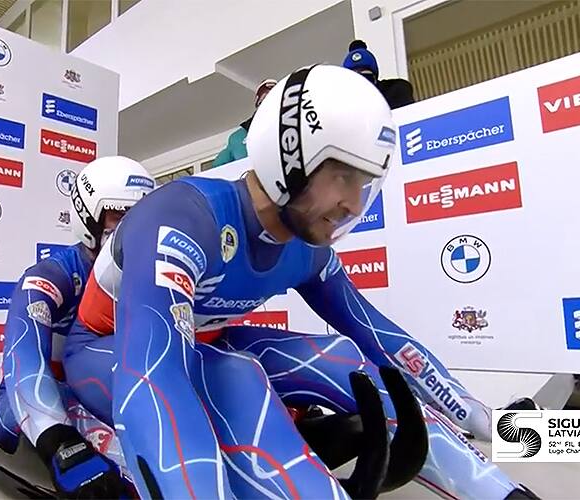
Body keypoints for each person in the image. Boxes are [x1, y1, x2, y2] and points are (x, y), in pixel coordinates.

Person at [63, 65, 540, 499]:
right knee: (236, 376)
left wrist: (481, 419)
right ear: (288, 157)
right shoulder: (183, 218)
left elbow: (378, 337)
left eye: (365, 182)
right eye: (342, 175)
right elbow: (154, 374)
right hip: (107, 348)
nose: (354, 203)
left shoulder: (308, 249)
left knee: (343, 358)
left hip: (208, 343)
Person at [0, 156, 155, 498]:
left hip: (100, 394)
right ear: (88, 217)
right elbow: (23, 360)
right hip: (31, 400)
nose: (132, 228)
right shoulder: (50, 277)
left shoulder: (148, 276)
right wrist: (59, 442)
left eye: (142, 217)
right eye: (119, 215)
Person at [210, 78, 276, 168]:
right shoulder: (238, 137)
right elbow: (216, 168)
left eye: (274, 101)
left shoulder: (288, 128)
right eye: (264, 100)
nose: (268, 106)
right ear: (258, 104)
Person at [343, 39, 416, 109]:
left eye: (366, 76)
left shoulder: (395, 90)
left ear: (375, 78)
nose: (361, 83)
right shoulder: (345, 104)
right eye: (354, 78)